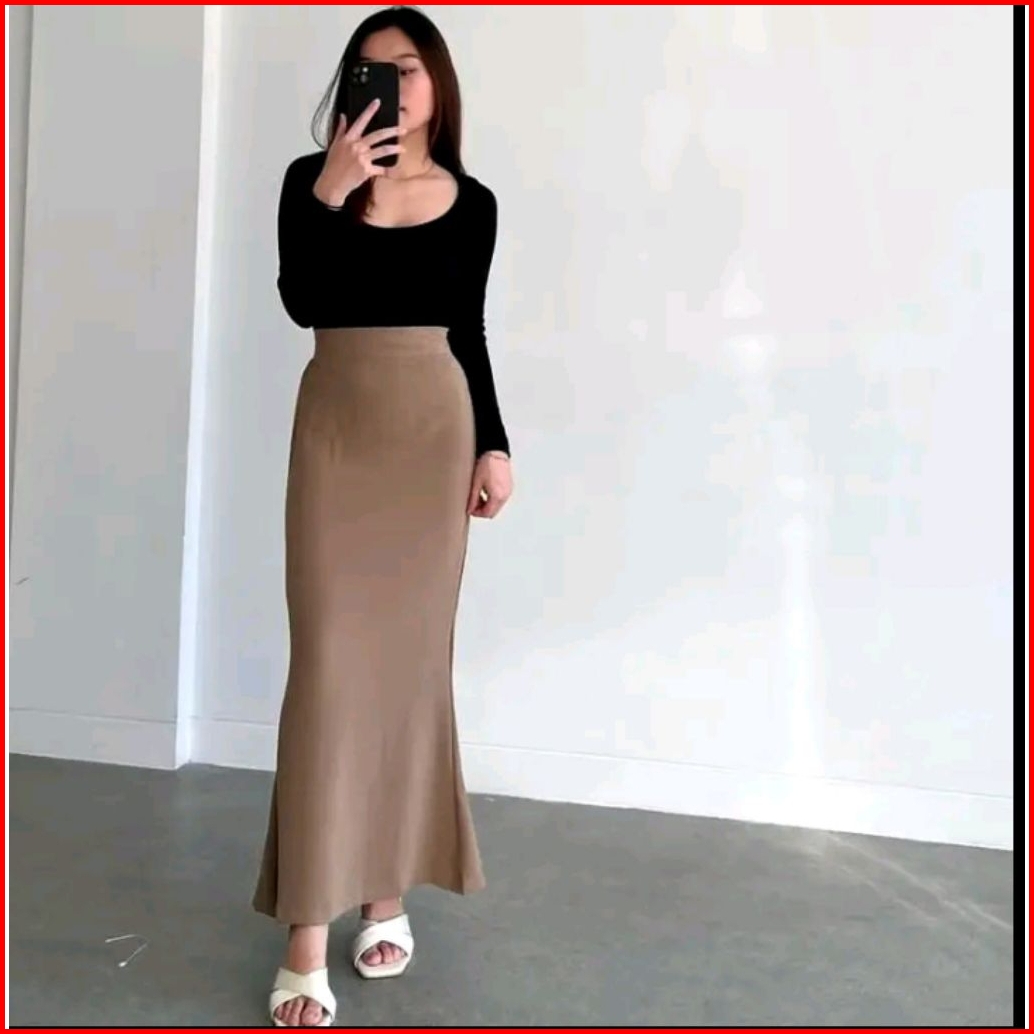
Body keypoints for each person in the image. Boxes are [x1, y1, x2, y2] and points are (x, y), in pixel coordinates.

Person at [252, 6, 514, 1026]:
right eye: (369, 70)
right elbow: (302, 299)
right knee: (327, 673)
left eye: (404, 68)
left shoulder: (474, 202)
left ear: (436, 82)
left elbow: (469, 330)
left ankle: (386, 895)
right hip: (338, 430)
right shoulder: (307, 181)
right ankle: (305, 931)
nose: (390, 86)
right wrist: (330, 190)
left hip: (432, 435)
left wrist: (494, 442)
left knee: (408, 672)